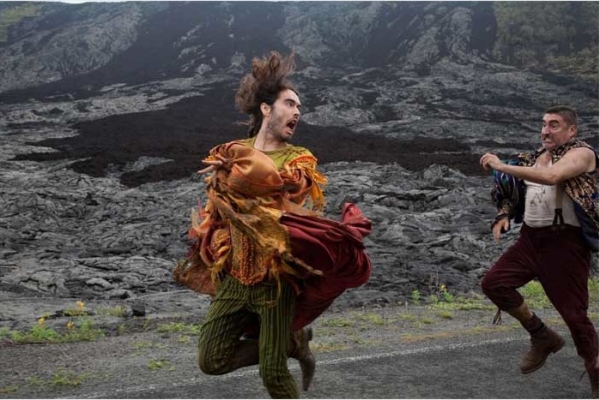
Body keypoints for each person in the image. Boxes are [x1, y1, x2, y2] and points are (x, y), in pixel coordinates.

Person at [173, 51, 372, 398]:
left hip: (275, 283)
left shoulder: (298, 158)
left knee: (273, 373)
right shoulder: (233, 152)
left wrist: (235, 166)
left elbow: (288, 185)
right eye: (290, 104)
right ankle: (293, 344)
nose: (297, 112)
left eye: (299, 108)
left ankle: (282, 350)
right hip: (234, 278)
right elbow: (218, 209)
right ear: (266, 109)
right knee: (211, 360)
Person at [479, 105, 599, 398]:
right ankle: (541, 336)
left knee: (574, 316)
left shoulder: (582, 154)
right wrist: (504, 213)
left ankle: (597, 373)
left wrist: (500, 165)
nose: (545, 130)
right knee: (494, 283)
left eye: (554, 125)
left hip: (565, 245)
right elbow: (512, 189)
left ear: (571, 130)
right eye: (544, 124)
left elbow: (552, 177)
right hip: (530, 240)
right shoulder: (533, 158)